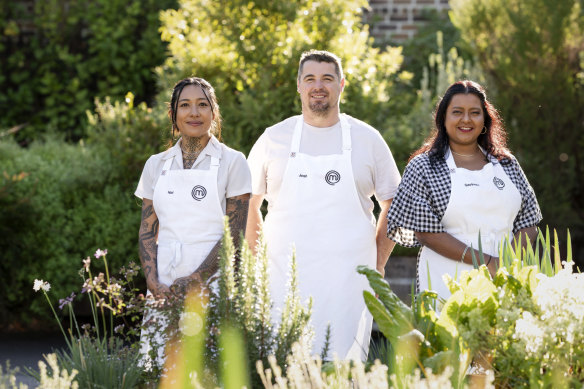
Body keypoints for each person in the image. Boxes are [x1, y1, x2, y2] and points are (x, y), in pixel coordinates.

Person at [246, 50, 401, 361]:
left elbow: (394, 203)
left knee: (343, 367)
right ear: (299, 86)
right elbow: (248, 202)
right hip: (282, 280)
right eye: (310, 79)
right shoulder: (273, 138)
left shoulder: (367, 139)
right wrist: (256, 262)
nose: (319, 86)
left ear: (341, 85)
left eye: (327, 78)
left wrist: (378, 263)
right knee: (283, 365)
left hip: (349, 282)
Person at [386, 80, 542, 300]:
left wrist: (507, 263)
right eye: (457, 112)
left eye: (475, 113)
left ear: (485, 120)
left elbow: (529, 221)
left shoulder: (506, 164)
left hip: (504, 283)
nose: (466, 120)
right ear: (443, 118)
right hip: (446, 284)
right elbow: (427, 233)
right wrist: (488, 262)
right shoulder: (424, 166)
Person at [135, 77, 251, 368]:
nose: (194, 113)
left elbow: (234, 236)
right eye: (185, 105)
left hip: (213, 281)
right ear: (174, 115)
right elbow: (147, 230)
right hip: (164, 282)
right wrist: (153, 281)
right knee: (159, 367)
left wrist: (196, 280)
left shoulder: (233, 162)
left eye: (203, 105)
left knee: (208, 368)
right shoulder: (155, 165)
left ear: (214, 113)